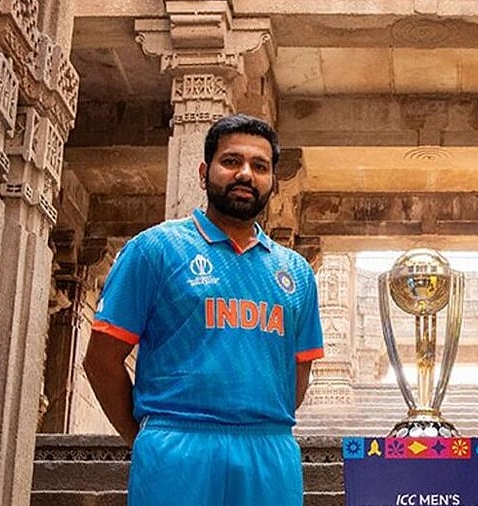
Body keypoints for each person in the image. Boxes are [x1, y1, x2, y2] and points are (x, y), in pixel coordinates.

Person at [83, 113, 324, 506]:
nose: (245, 173)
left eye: (259, 166)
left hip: (270, 450)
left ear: (273, 183)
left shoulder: (297, 272)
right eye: (231, 161)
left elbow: (297, 378)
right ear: (203, 171)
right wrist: (148, 436)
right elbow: (101, 361)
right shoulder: (155, 249)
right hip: (176, 447)